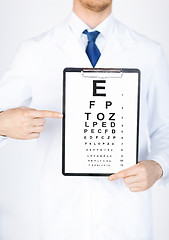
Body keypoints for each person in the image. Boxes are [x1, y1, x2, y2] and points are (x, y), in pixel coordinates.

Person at [0, 0, 169, 239]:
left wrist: (159, 166)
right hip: (63, 217)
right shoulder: (35, 51)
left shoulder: (148, 52)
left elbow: (165, 127)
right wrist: (2, 124)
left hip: (128, 218)